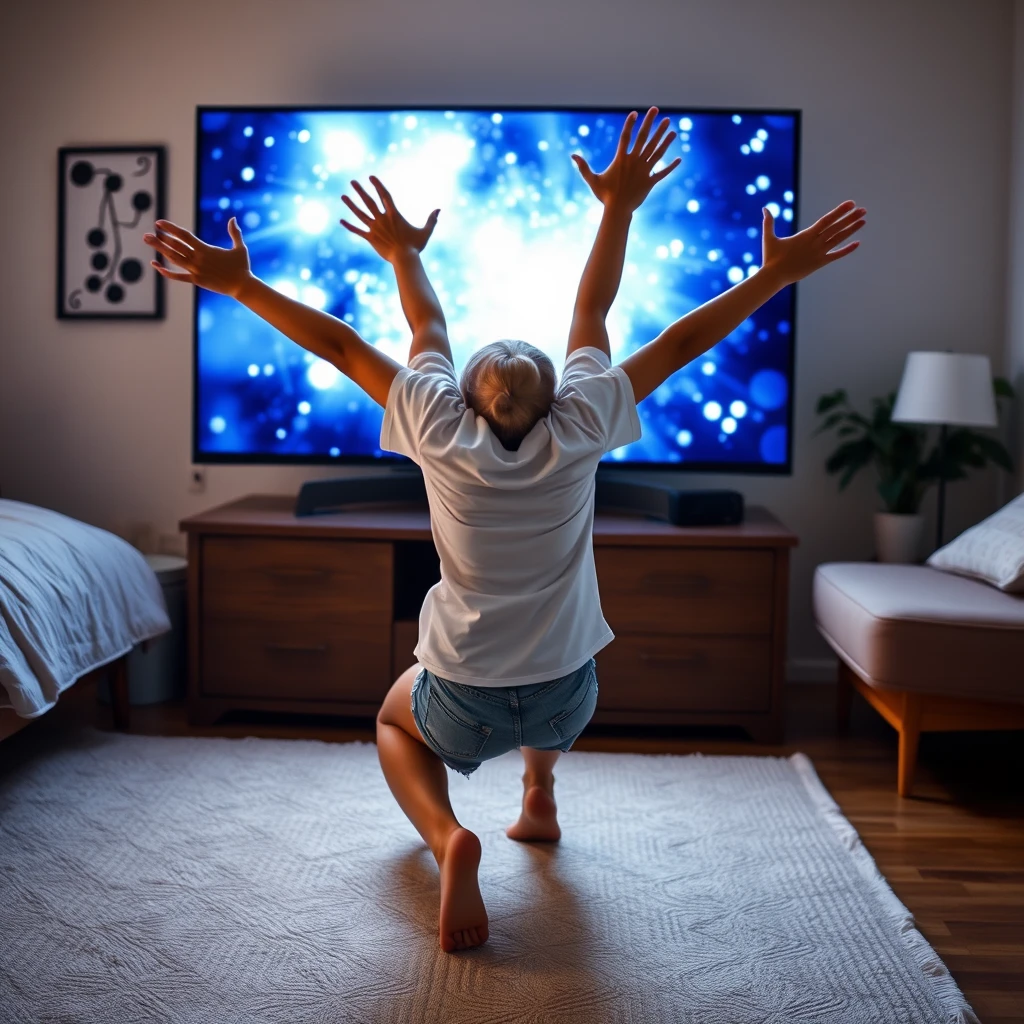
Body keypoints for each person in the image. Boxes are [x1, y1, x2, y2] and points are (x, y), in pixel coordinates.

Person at [143, 107, 865, 955]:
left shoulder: (433, 422)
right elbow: (659, 331)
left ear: (460, 397)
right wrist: (713, 250)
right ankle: (539, 796)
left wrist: (259, 282)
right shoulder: (585, 419)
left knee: (389, 721)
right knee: (547, 675)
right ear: (559, 393)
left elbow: (360, 341)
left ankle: (451, 839)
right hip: (568, 696)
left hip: (461, 701)